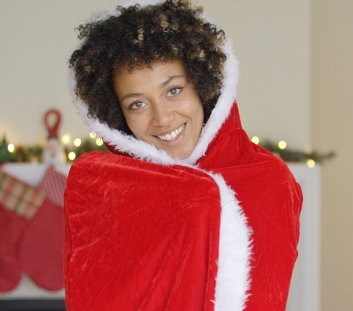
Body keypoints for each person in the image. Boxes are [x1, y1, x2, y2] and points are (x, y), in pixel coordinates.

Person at [64, 1, 302, 310]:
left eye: (173, 90)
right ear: (116, 114)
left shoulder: (268, 180)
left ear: (202, 85)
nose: (162, 118)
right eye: (137, 103)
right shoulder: (109, 191)